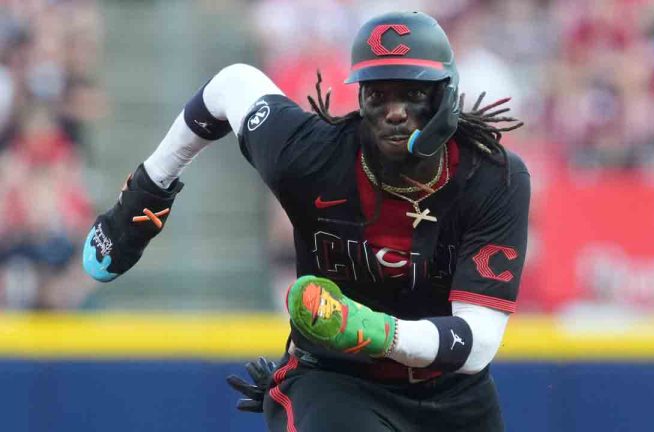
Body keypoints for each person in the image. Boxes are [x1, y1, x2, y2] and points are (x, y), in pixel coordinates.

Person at [82, 11, 530, 431]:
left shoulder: (492, 178)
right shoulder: (310, 156)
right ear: (359, 97)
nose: (395, 111)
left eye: (414, 93)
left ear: (446, 96)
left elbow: (478, 342)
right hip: (338, 380)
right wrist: (148, 187)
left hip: (453, 393)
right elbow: (230, 86)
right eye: (377, 93)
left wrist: (368, 329)